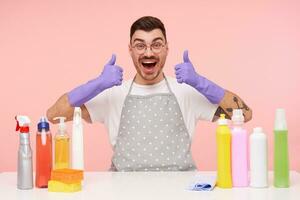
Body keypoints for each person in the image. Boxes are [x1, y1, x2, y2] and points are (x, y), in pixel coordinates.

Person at [47, 16, 252, 171]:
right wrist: (97, 84)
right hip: (123, 190)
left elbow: (245, 114)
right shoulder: (113, 94)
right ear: (130, 50)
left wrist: (201, 82)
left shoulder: (186, 91)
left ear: (166, 49)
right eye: (140, 45)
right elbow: (54, 115)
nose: (148, 53)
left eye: (156, 44)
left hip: (178, 190)